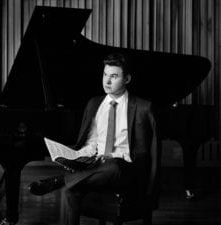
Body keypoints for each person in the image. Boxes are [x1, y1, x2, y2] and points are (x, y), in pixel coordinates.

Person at [28, 53, 160, 225]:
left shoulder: (143, 107)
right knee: (73, 189)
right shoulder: (94, 104)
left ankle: (59, 181)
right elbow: (90, 143)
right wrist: (76, 157)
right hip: (98, 167)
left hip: (126, 168)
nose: (107, 81)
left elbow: (145, 153)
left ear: (127, 79)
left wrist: (115, 157)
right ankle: (66, 182)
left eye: (114, 76)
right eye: (105, 75)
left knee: (115, 166)